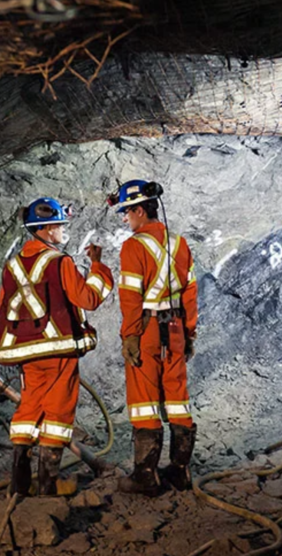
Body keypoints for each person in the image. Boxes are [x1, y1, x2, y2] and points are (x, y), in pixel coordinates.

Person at [0, 197, 113, 496]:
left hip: (27, 353)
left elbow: (3, 309)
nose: (62, 230)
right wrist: (98, 267)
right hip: (57, 350)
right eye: (59, 225)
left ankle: (19, 483)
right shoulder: (60, 262)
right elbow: (88, 299)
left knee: (30, 407)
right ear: (46, 229)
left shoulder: (12, 266)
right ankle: (48, 485)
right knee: (58, 412)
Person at [108, 179, 198, 495]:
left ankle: (145, 476)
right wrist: (189, 333)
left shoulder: (133, 247)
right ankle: (180, 471)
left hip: (146, 330)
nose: (124, 219)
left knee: (144, 400)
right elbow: (190, 293)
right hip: (175, 328)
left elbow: (131, 298)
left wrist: (130, 336)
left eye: (126, 212)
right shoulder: (180, 244)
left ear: (139, 210)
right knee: (177, 397)